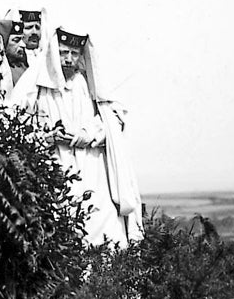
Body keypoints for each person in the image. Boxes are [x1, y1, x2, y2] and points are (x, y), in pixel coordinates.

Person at [9, 26, 143, 248]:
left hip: (93, 168)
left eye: (74, 53)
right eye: (63, 53)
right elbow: (16, 123)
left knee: (105, 227)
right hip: (54, 165)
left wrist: (85, 135)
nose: (68, 59)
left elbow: (112, 124)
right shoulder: (37, 86)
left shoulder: (88, 85)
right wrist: (47, 137)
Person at [0, 18, 27, 90]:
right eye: (16, 40)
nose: (23, 45)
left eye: (22, 39)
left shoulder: (22, 68)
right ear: (2, 42)